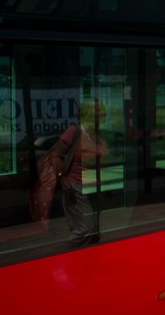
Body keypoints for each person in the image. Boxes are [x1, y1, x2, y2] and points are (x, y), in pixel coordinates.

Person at [52, 99, 108, 248]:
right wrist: (62, 181)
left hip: (94, 188)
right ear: (86, 113)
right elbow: (55, 156)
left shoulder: (99, 136)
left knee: (94, 234)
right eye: (97, 110)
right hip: (76, 188)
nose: (101, 113)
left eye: (102, 110)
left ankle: (86, 264)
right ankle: (62, 262)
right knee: (84, 230)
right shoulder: (74, 131)